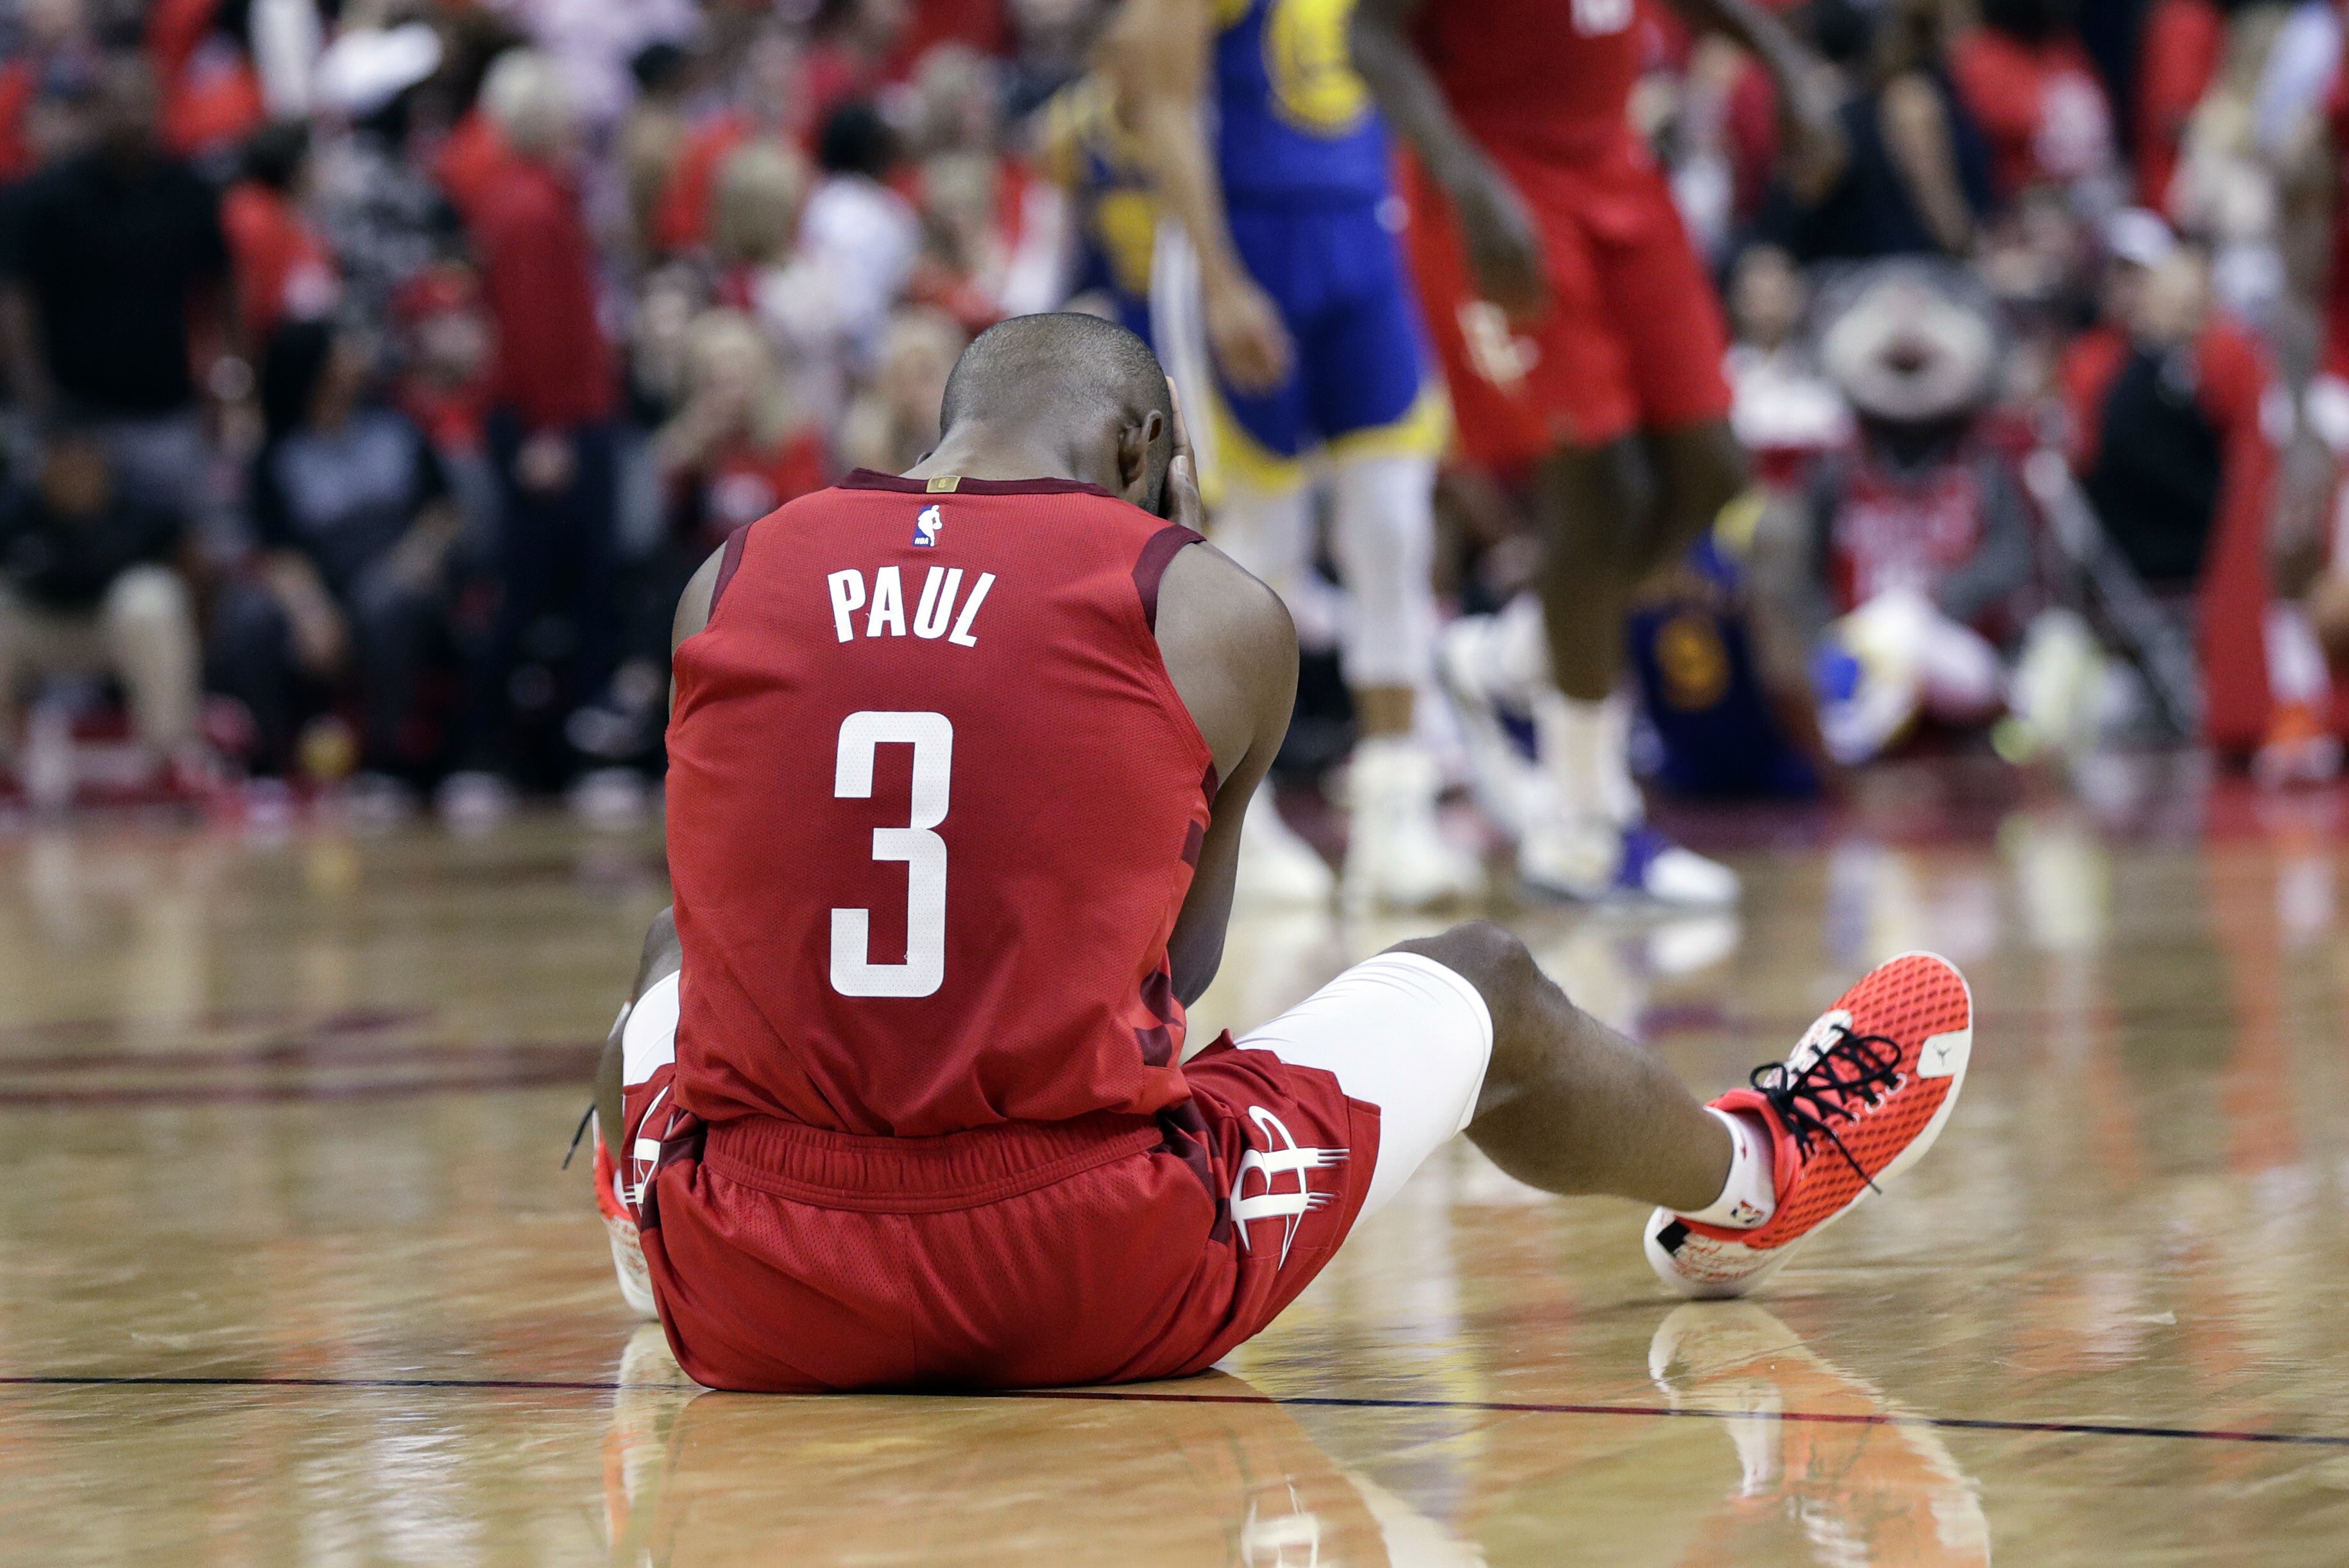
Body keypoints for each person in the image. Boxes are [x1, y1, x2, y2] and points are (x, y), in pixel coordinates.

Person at [586, 312, 1976, 1392]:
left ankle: (646, 1242)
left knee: (672, 950)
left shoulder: (738, 569)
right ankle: (1753, 1173)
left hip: (754, 1286)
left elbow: (743, 892)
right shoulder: (1199, 603)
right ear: (1140, 447)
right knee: (1487, 982)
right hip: (1080, 1269)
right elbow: (1172, 980)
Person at [1351, 0, 1830, 904]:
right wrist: (1463, 177)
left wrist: (1785, 63)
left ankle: (1515, 655)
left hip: (1614, 163)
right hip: (1495, 179)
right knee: (1598, 489)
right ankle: (1584, 826)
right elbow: (1368, 34)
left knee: (1714, 470)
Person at [1105, 0, 1476, 911]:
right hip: (1249, 242)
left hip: (1363, 237)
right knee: (1252, 550)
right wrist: (1224, 281)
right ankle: (1236, 818)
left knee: (1392, 529)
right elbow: (1153, 98)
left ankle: (1397, 811)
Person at [208, 322, 462, 789]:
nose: (357, 358)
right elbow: (277, 550)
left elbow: (445, 510)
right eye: (342, 351)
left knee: (387, 602)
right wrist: (312, 614)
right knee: (249, 616)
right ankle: (266, 767)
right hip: (322, 587)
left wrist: (413, 560)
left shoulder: (395, 427)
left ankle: (387, 767)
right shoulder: (280, 455)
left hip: (403, 575)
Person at [0, 49, 228, 513]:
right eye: (121, 105)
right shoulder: (45, 199)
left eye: (145, 104)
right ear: (96, 110)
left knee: (187, 539)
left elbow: (220, 288)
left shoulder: (188, 190)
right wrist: (40, 403)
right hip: (80, 416)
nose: (135, 118)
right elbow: (14, 302)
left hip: (167, 407)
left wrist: (229, 383)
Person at [0, 424, 202, 788]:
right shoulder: (14, 512)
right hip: (39, 633)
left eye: (85, 465)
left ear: (103, 466)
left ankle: (171, 757)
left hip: (112, 632)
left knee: (153, 596)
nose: (76, 477)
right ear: (44, 469)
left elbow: (196, 564)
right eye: (65, 466)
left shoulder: (144, 509)